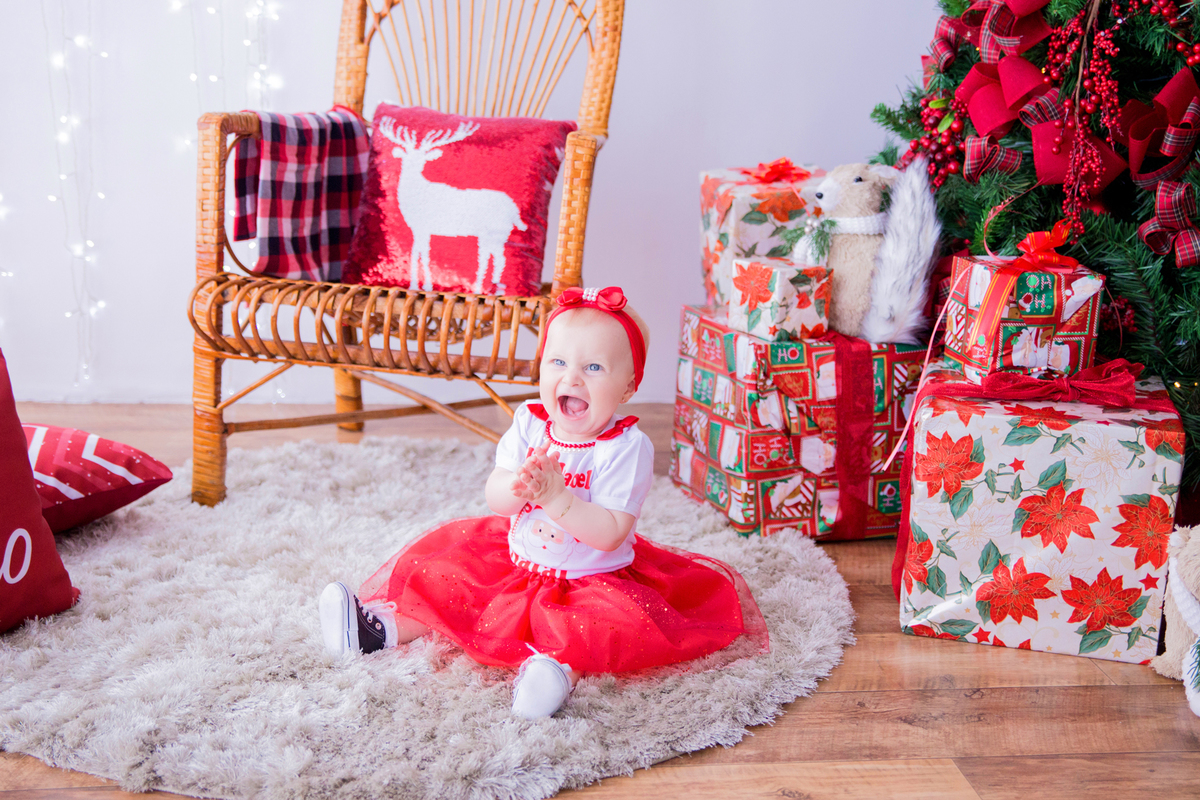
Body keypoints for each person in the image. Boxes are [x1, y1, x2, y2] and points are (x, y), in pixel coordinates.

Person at [319, 286, 768, 718]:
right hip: (515, 562)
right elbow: (496, 497)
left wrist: (557, 498)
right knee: (452, 587)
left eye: (594, 367)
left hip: (591, 579)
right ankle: (376, 632)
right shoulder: (531, 423)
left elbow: (611, 534)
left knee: (590, 628)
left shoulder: (624, 448)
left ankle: (553, 673)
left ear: (628, 388)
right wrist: (517, 485)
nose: (571, 377)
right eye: (558, 362)